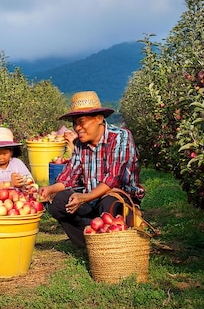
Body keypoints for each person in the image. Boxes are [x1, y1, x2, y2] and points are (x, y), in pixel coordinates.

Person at [38, 91, 145, 248]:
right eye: (75, 123)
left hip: (119, 199)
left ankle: (113, 240)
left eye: (81, 122)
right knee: (58, 203)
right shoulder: (80, 146)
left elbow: (113, 179)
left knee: (109, 204)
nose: (77, 128)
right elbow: (69, 177)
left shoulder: (121, 137)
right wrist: (49, 189)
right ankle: (91, 242)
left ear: (99, 119)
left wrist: (84, 198)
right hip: (91, 199)